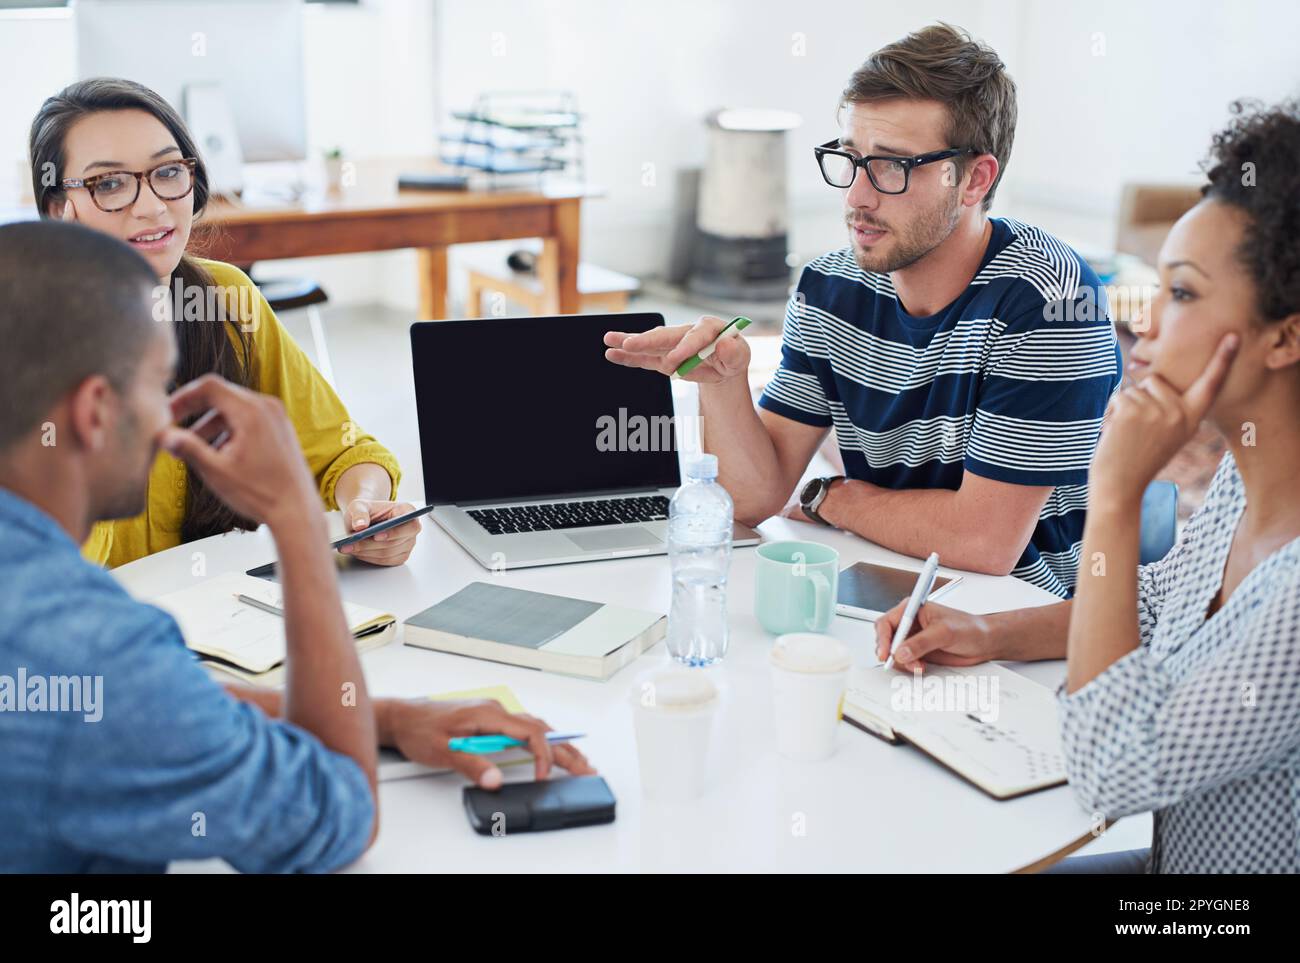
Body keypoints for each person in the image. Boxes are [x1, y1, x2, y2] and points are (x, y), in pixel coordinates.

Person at [0, 220, 592, 872]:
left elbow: (153, 700)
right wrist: (299, 523)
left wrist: (386, 717)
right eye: (157, 385)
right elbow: (333, 811)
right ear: (95, 412)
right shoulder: (91, 644)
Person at [874, 101, 1300, 873]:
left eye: (1184, 293)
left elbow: (1113, 771)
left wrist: (1115, 496)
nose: (1146, 325)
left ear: (1286, 336)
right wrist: (990, 634)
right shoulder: (1247, 478)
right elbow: (1154, 602)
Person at [606, 23, 1121, 598]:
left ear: (975, 178)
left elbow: (985, 543)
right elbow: (754, 500)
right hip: (875, 578)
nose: (856, 197)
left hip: (1019, 615)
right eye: (852, 159)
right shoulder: (829, 285)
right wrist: (722, 385)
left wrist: (833, 497)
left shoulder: (1050, 299)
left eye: (892, 167)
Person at [29, 77, 421, 569]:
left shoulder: (223, 298)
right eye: (108, 184)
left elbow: (340, 450)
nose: (151, 206)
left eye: (168, 172)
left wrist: (367, 510)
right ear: (57, 212)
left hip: (223, 619)